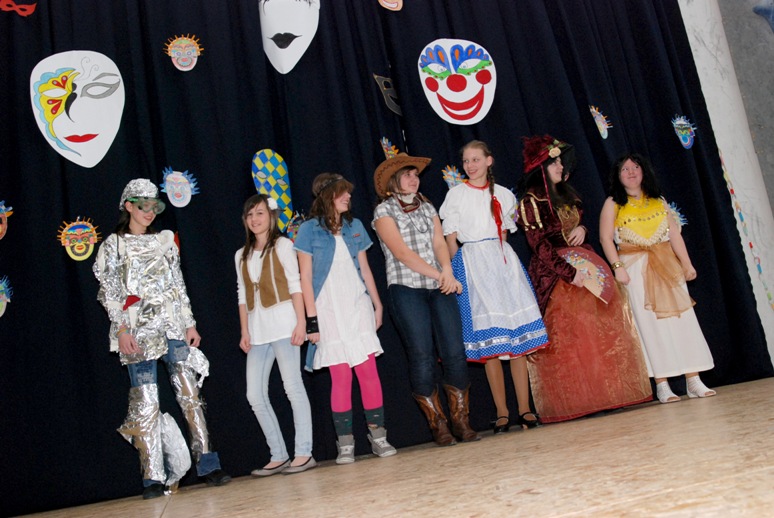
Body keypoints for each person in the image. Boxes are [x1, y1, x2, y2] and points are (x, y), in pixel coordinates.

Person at [93, 179, 230, 500]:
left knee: (190, 396)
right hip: (138, 334)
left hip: (172, 330)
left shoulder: (164, 242)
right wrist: (122, 330)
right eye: (143, 206)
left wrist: (189, 324)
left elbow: (178, 285)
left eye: (154, 206)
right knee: (146, 403)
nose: (150, 212)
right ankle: (152, 477)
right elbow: (109, 292)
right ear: (129, 207)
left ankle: (208, 464)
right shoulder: (114, 245)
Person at [515, 135, 652, 423]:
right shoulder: (531, 201)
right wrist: (569, 273)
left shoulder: (567, 194)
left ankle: (608, 395)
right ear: (541, 167)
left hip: (585, 264)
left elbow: (574, 226)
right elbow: (539, 246)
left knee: (600, 331)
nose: (560, 167)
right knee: (570, 336)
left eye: (560, 163)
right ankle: (578, 400)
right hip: (556, 274)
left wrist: (583, 230)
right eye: (553, 163)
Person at [439, 140, 549, 433]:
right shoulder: (456, 195)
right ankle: (502, 411)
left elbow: (504, 234)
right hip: (473, 264)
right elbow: (450, 238)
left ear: (489, 161)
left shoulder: (504, 194)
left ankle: (524, 409)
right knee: (490, 342)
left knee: (516, 340)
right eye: (466, 161)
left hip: (502, 263)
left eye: (476, 159)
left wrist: (502, 264)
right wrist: (458, 271)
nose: (470, 165)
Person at [372, 152, 480, 446]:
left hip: (439, 286)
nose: (413, 179)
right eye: (407, 175)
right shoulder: (383, 211)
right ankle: (438, 424)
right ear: (394, 181)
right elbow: (401, 253)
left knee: (454, 351)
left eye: (415, 175)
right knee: (421, 355)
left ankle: (461, 420)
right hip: (406, 288)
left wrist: (447, 270)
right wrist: (440, 275)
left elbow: (439, 242)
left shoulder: (428, 206)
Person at [294, 173, 397, 463]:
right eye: (342, 192)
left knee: (368, 371)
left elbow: (365, 269)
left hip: (356, 305)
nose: (348, 197)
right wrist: (311, 320)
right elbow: (305, 278)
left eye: (348, 192)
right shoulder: (308, 230)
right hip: (327, 309)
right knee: (340, 376)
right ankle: (346, 443)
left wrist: (377, 304)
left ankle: (378, 437)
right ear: (328, 196)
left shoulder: (355, 226)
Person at [600, 153, 716, 403]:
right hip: (635, 269)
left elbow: (674, 234)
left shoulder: (658, 200)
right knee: (650, 325)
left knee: (682, 320)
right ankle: (662, 384)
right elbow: (605, 238)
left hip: (666, 265)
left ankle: (693, 379)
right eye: (625, 169)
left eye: (635, 167)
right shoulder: (613, 203)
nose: (631, 172)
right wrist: (617, 267)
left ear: (644, 171)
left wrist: (687, 264)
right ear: (618, 176)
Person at [235, 194, 315, 476]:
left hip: (284, 325)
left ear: (271, 217)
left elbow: (296, 285)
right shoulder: (241, 255)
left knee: (293, 387)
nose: (254, 219)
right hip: (258, 331)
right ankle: (278, 454)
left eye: (260, 213)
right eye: (250, 215)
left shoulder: (283, 245)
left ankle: (304, 451)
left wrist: (302, 323)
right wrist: (245, 330)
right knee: (254, 394)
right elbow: (242, 295)